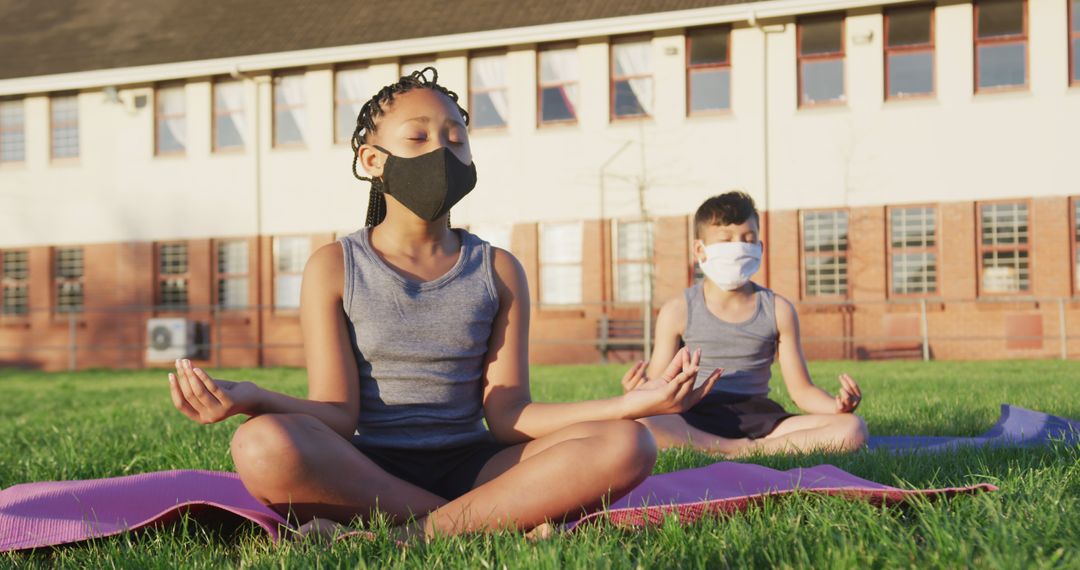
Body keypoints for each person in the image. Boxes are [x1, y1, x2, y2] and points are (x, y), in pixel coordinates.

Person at [166, 68, 720, 540]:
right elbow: (338, 415)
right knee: (260, 444)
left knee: (628, 444)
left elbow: (509, 418)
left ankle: (419, 533)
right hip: (366, 468)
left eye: (456, 138)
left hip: (477, 465)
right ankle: (484, 519)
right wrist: (250, 398)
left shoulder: (498, 269)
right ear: (372, 159)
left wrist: (630, 406)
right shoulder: (334, 266)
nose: (442, 149)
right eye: (419, 137)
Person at [622, 191, 868, 456]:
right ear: (699, 250)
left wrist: (836, 408)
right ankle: (744, 450)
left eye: (747, 239)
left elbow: (802, 390)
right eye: (726, 240)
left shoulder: (779, 310)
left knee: (853, 428)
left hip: (759, 418)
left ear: (759, 248)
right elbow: (659, 385)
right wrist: (638, 392)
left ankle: (745, 449)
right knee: (639, 424)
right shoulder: (677, 311)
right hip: (692, 414)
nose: (738, 247)